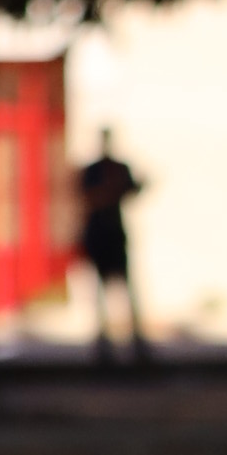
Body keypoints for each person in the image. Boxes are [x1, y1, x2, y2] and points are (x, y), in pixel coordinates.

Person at [73, 136, 146, 363]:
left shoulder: (116, 168)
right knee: (101, 293)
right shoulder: (94, 171)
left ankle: (136, 343)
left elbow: (129, 190)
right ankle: (104, 344)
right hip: (100, 236)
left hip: (113, 235)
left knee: (125, 290)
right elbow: (87, 196)